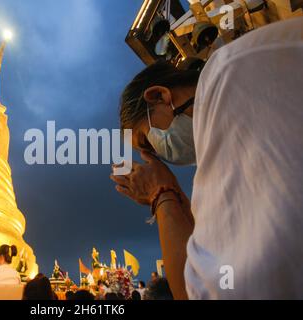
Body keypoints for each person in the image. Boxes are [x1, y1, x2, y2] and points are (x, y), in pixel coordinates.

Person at [111, 17, 303, 299]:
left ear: (159, 96)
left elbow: (208, 290)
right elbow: (216, 247)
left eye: (147, 144)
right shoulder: (235, 72)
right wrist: (173, 193)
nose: (154, 159)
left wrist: (160, 194)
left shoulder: (225, 81)